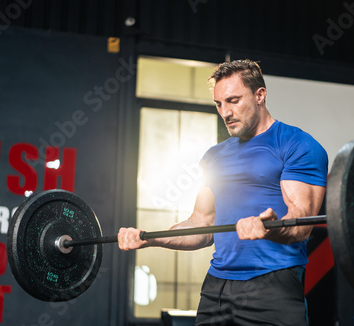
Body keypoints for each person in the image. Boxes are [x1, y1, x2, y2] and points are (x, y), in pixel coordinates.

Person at [118, 59, 328, 325]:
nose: (225, 112)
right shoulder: (214, 156)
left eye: (234, 100)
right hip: (217, 287)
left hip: (273, 283)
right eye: (219, 104)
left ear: (260, 95)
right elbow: (202, 224)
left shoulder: (297, 144)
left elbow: (301, 222)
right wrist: (150, 238)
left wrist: (270, 228)